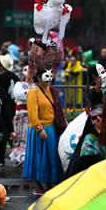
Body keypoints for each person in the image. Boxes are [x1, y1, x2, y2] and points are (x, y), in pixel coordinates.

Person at [23, 67, 66, 195]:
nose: (49, 79)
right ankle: (38, 186)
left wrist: (64, 122)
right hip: (39, 130)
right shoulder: (33, 92)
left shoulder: (53, 91)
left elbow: (58, 109)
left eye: (50, 76)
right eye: (46, 76)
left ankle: (48, 184)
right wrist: (39, 129)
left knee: (51, 157)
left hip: (53, 129)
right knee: (38, 157)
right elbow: (32, 113)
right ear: (39, 78)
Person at [10, 66, 33, 166]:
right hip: (22, 116)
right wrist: (31, 94)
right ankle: (21, 159)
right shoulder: (19, 84)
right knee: (21, 138)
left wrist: (28, 94)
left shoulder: (36, 85)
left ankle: (30, 158)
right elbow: (19, 95)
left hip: (33, 115)